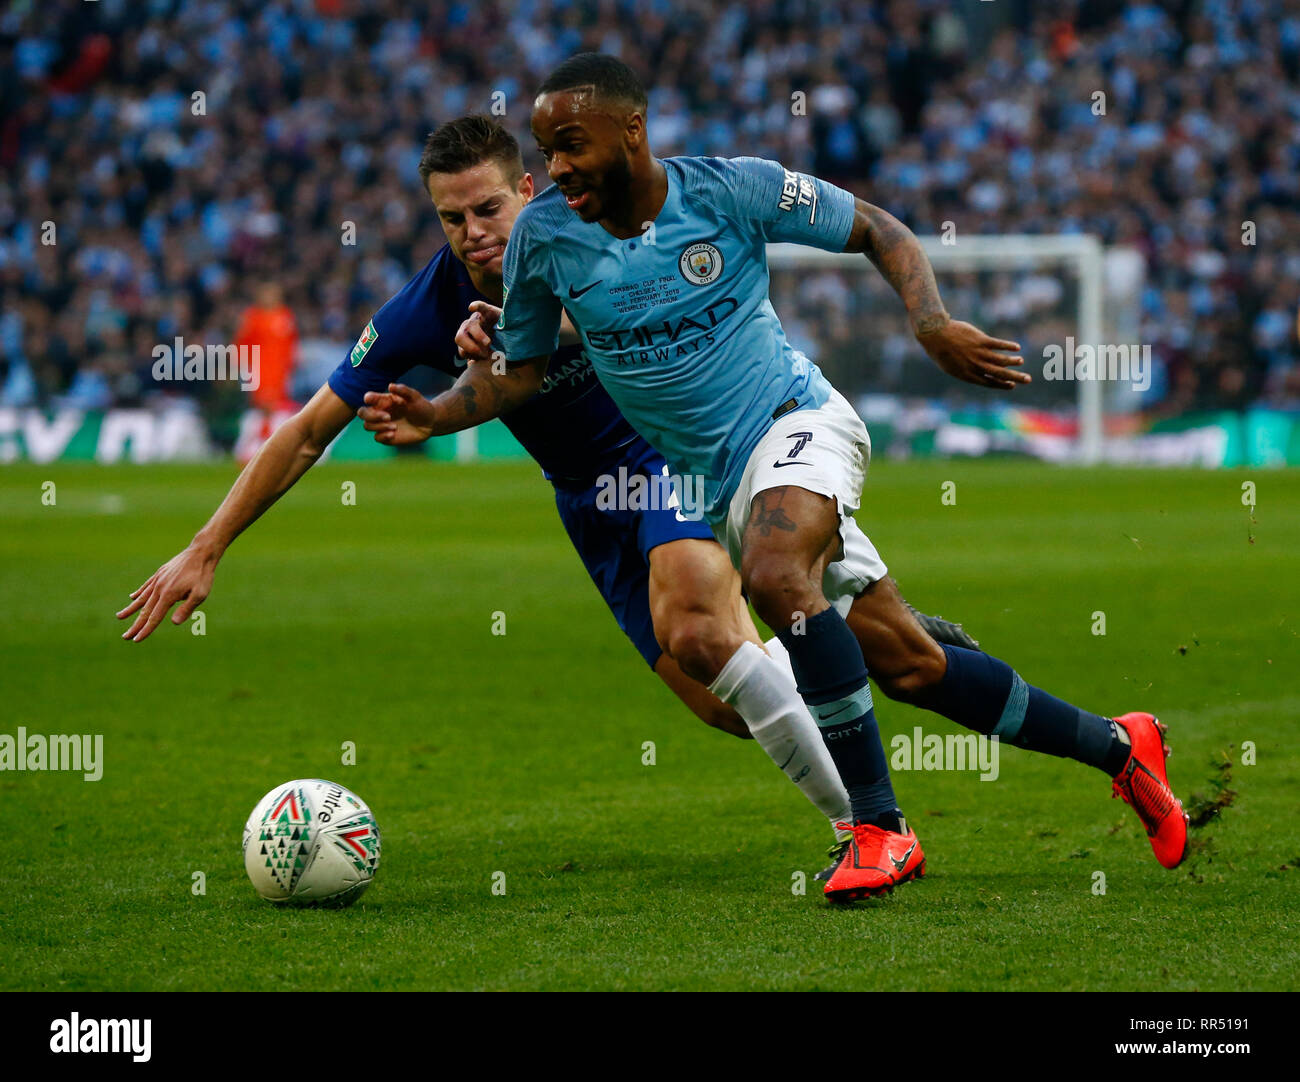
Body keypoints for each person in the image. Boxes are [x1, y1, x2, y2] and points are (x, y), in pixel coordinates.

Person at [379, 55, 1188, 902]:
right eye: (547, 152)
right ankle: (1121, 747)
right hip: (716, 482)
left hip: (797, 423)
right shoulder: (545, 239)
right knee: (911, 666)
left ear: (632, 131)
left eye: (572, 146)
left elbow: (877, 226)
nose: (559, 170)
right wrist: (436, 415)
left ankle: (879, 828)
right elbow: (523, 371)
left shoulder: (730, 191)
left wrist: (933, 321)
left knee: (771, 578)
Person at [117, 115, 976, 879]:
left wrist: (502, 347)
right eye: (451, 218)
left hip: (669, 454)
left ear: (526, 189)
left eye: (489, 210)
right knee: (719, 701)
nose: (473, 233)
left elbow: (615, 307)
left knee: (701, 624)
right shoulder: (429, 301)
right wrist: (208, 544)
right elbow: (308, 430)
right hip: (584, 501)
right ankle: (862, 645)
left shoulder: (592, 233)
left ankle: (868, 831)